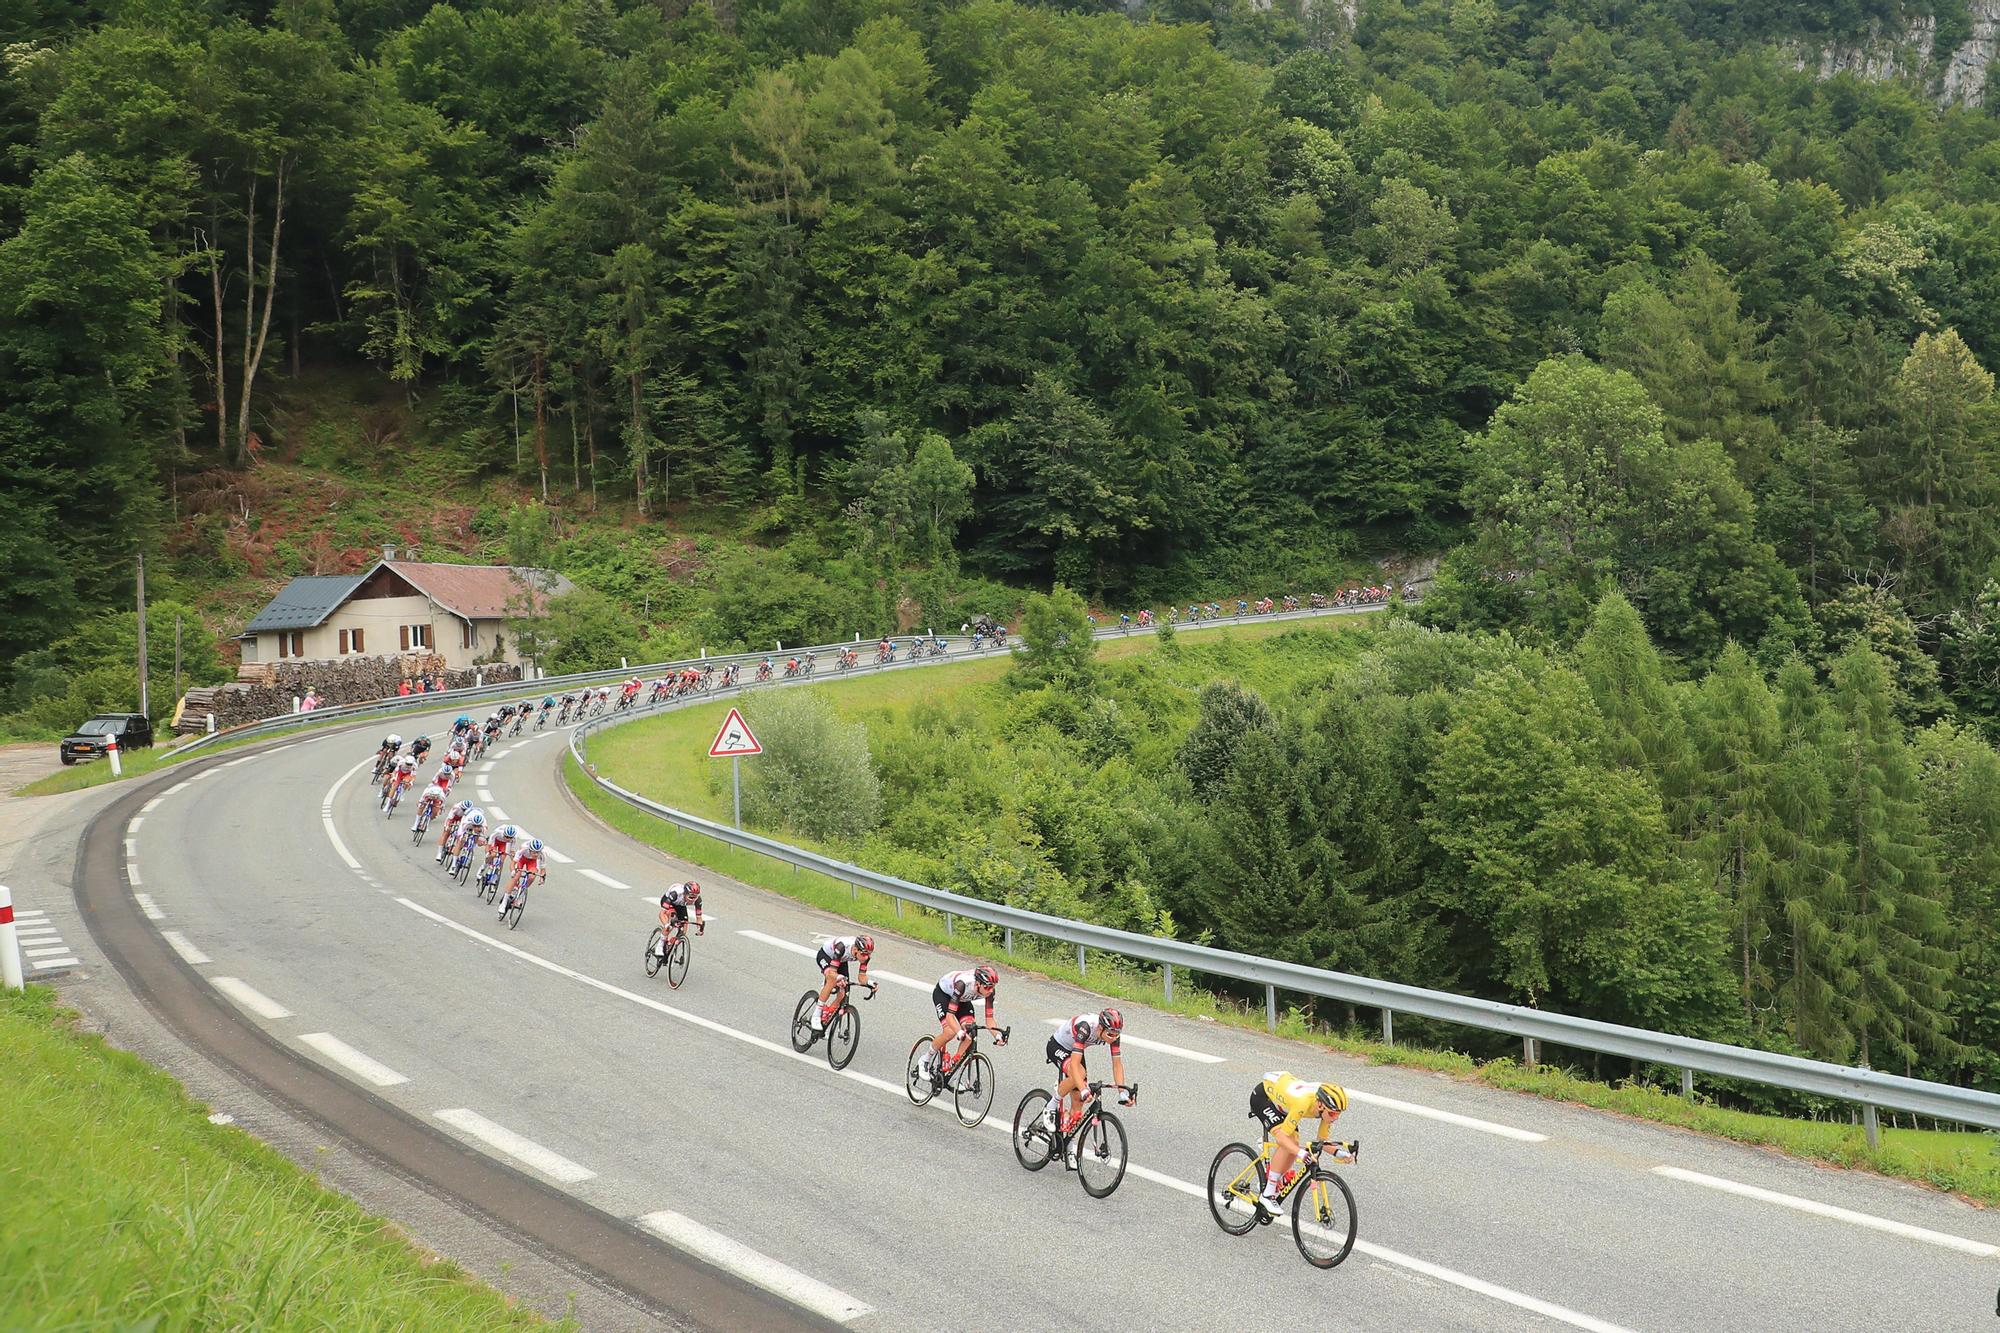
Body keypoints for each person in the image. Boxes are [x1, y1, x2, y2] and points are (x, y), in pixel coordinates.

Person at [1249, 1072, 1350, 1220]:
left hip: (1284, 1105)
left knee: (1293, 1144)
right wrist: (1301, 1153)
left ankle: (1271, 1180)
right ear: (1320, 1104)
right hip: (1264, 1098)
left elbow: (1322, 1141)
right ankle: (1267, 1194)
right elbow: (1281, 1139)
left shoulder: (1325, 1109)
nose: (1335, 1118)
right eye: (1333, 1114)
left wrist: (1341, 1153)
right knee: (1288, 1143)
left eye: (1338, 1114)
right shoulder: (1303, 1103)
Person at [1041, 1008, 1131, 1134]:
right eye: (1110, 1034)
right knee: (1080, 1074)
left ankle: (1069, 1147)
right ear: (1100, 1028)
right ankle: (1051, 1105)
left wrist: (1122, 1092)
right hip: (1058, 1046)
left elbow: (1117, 1065)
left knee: (1078, 1106)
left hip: (1076, 1050)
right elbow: (1074, 1063)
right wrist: (1083, 1089)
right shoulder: (1085, 1027)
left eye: (1117, 1035)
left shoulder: (1113, 1034)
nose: (1113, 1038)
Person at [921, 964, 1003, 1089]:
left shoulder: (989, 991)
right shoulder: (962, 984)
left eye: (993, 987)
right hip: (944, 995)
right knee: (950, 1031)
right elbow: (950, 1016)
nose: (990, 990)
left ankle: (952, 1070)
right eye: (987, 987)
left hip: (963, 1000)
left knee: (970, 1031)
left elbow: (990, 1020)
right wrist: (959, 1031)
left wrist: (998, 1036)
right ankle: (925, 1060)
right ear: (977, 984)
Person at [811, 934, 875, 1031]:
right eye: (864, 954)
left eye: (869, 954)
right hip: (826, 955)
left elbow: (861, 977)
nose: (866, 958)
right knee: (831, 980)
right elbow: (832, 973)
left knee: (843, 993)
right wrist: (838, 977)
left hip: (840, 960)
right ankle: (817, 1014)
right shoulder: (842, 947)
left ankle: (825, 1016)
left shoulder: (864, 954)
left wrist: (870, 983)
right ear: (855, 950)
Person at [651, 882, 706, 960]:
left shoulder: (698, 900)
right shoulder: (675, 894)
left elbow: (699, 917)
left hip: (681, 905)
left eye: (695, 897)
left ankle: (670, 943)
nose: (693, 900)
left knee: (683, 931)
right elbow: (661, 914)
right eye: (690, 897)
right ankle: (660, 945)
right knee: (671, 922)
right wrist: (666, 924)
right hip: (670, 902)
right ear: (684, 894)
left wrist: (699, 929)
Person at [503, 838, 547, 919]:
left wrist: (542, 878)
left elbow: (543, 870)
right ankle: (504, 902)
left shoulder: (543, 854)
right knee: (516, 876)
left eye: (538, 852)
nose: (536, 854)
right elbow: (513, 863)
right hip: (521, 859)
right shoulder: (523, 849)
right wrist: (513, 871)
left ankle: (521, 893)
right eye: (534, 852)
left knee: (532, 876)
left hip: (532, 863)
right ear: (530, 849)